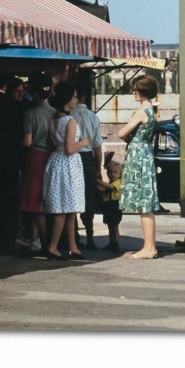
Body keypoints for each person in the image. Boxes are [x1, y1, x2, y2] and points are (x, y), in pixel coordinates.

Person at [42, 82, 88, 261]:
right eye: (74, 97)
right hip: (68, 164)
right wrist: (83, 143)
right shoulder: (70, 121)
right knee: (65, 208)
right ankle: (53, 247)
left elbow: (51, 144)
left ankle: (73, 247)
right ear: (67, 99)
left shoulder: (54, 118)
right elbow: (70, 149)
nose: (76, 100)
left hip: (56, 161)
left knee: (69, 208)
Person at [117, 75, 161, 260]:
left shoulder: (142, 111)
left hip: (138, 157)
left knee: (144, 204)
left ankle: (149, 248)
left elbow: (121, 133)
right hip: (145, 154)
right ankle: (150, 247)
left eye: (136, 89)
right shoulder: (151, 110)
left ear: (143, 91)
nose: (134, 92)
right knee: (146, 203)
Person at [0, 69, 24, 254]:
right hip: (10, 159)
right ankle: (7, 241)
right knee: (8, 201)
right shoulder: (15, 106)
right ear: (6, 85)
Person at [17, 72, 55, 253]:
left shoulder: (30, 114)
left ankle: (44, 242)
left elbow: (27, 141)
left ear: (35, 93)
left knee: (33, 202)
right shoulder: (56, 114)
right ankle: (37, 239)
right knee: (45, 201)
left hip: (34, 158)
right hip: (52, 157)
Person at [71, 82, 108, 250]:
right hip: (87, 158)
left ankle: (73, 237)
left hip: (70, 156)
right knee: (88, 198)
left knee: (70, 198)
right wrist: (98, 169)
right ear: (85, 96)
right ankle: (90, 237)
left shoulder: (67, 114)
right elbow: (97, 147)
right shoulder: (92, 117)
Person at [100, 159, 124, 252]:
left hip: (115, 206)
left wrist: (98, 181)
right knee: (110, 226)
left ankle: (116, 243)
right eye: (110, 172)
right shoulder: (110, 182)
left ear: (120, 173)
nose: (112, 174)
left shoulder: (118, 182)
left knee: (114, 226)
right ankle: (111, 242)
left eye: (115, 172)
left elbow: (110, 187)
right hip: (108, 206)